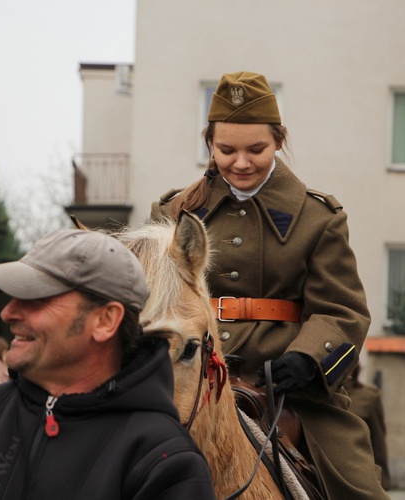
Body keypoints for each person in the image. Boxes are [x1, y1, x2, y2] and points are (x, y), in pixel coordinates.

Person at [151, 70, 386, 499]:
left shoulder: (320, 219)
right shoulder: (172, 212)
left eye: (256, 149)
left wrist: (308, 359)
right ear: (210, 146)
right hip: (186, 377)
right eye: (226, 150)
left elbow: (343, 311)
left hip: (286, 388)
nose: (241, 162)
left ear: (279, 141)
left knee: (358, 488)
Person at [0, 229, 215, 499]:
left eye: (37, 298)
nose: (8, 313)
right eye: (14, 296)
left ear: (105, 320)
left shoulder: (164, 463)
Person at [343, 363, 391, 490]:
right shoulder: (320, 397)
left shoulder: (369, 397)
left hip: (358, 472)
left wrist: (382, 483)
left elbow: (378, 441)